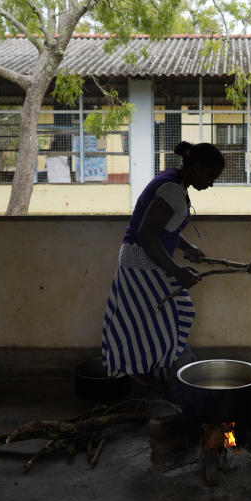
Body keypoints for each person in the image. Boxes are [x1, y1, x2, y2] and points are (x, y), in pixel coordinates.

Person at [101, 141, 225, 383]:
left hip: (146, 262)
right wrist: (177, 271)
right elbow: (146, 236)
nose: (211, 183)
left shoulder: (174, 182)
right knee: (162, 323)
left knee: (168, 315)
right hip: (140, 264)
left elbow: (163, 230)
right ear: (197, 167)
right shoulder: (172, 190)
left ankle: (150, 370)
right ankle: (143, 375)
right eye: (210, 176)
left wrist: (187, 248)